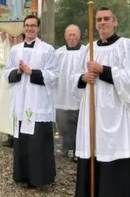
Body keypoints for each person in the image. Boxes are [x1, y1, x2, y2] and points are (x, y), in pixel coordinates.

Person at [72, 7, 130, 197]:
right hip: (91, 112)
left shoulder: (125, 46)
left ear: (115, 21)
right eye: (99, 20)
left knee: (112, 149)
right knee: (92, 150)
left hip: (116, 113)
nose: (102, 22)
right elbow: (73, 76)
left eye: (106, 19)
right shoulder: (89, 48)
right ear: (95, 24)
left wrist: (102, 69)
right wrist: (83, 77)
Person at [4, 15, 59, 188]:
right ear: (23, 28)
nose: (29, 29)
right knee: (23, 142)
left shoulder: (48, 50)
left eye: (33, 26)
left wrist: (31, 72)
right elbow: (7, 72)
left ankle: (40, 179)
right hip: (22, 103)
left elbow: (53, 75)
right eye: (27, 26)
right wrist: (18, 72)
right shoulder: (16, 50)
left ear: (38, 28)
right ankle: (23, 176)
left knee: (38, 142)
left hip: (38, 103)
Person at [54, 24, 86, 162]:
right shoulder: (59, 53)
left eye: (74, 35)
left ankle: (77, 150)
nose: (72, 38)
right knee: (62, 122)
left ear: (79, 36)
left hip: (78, 95)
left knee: (77, 123)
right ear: (65, 36)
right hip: (61, 93)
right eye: (69, 35)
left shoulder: (86, 52)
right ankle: (66, 147)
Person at [0, 31, 16, 147]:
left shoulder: (19, 46)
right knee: (5, 107)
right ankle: (9, 134)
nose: (11, 38)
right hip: (5, 80)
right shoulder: (2, 43)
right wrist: (3, 38)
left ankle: (17, 135)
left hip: (16, 80)